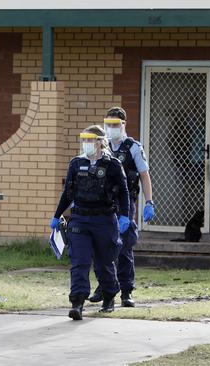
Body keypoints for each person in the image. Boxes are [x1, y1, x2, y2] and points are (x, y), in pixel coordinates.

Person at [50, 125, 130, 320]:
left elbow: (124, 191)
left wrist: (125, 215)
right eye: (84, 140)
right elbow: (68, 192)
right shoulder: (76, 164)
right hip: (80, 220)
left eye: (90, 140)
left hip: (104, 219)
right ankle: (77, 303)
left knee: (104, 263)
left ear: (100, 142)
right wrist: (57, 214)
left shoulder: (112, 165)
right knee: (80, 262)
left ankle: (109, 296)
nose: (86, 144)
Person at [88, 107, 155, 307]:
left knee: (124, 247)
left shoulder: (133, 147)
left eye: (115, 125)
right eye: (108, 125)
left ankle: (126, 291)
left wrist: (149, 201)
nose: (111, 129)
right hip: (104, 204)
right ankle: (104, 286)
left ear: (124, 124)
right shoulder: (101, 145)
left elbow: (144, 175)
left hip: (125, 204)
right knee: (102, 246)